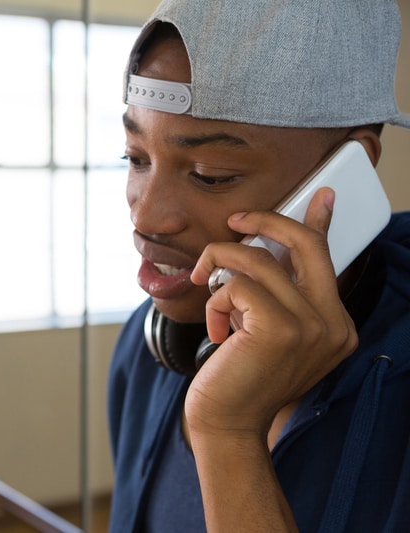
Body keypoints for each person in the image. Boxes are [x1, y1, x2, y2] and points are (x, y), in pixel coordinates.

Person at [107, 1, 410, 531]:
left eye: (210, 174)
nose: (147, 214)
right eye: (136, 157)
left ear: (346, 171)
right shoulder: (146, 347)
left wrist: (228, 434)